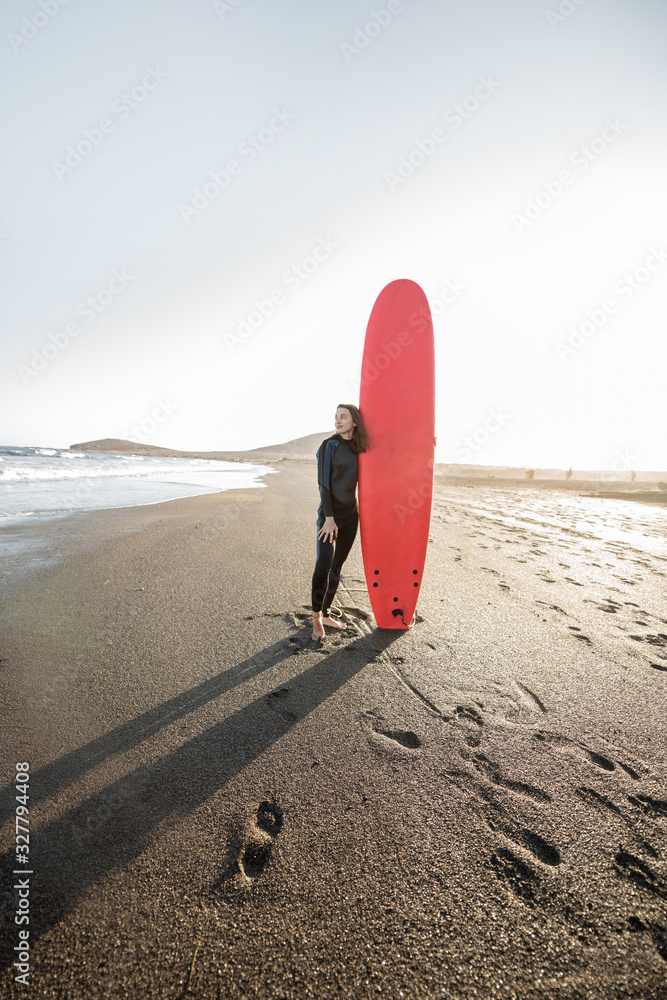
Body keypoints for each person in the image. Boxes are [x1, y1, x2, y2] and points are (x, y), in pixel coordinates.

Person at [311, 404, 371, 642]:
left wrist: (425, 441)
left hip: (350, 516)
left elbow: (393, 452)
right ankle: (315, 616)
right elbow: (323, 483)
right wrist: (328, 519)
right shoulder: (329, 445)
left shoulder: (360, 448)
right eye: (336, 417)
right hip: (329, 516)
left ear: (354, 421)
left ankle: (325, 613)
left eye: (343, 416)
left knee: (337, 565)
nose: (338, 420)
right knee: (323, 563)